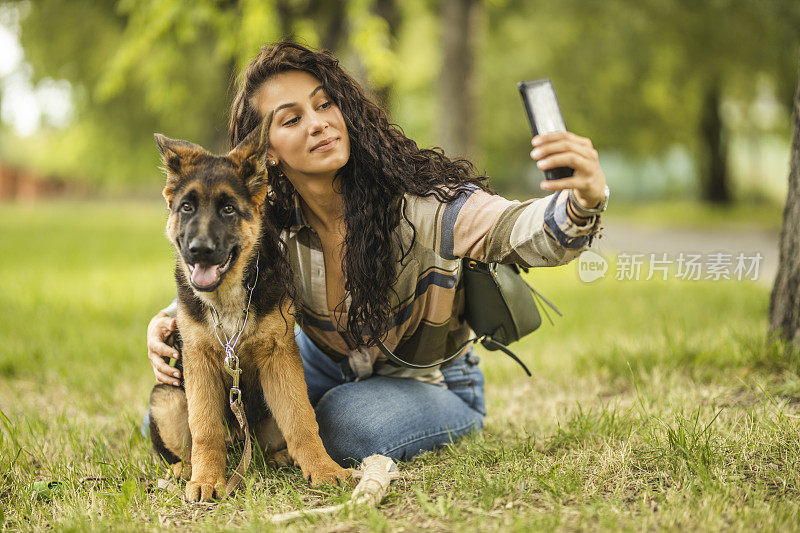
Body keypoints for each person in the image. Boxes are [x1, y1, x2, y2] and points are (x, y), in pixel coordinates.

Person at [145, 42, 608, 466]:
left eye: (325, 104)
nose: (318, 123)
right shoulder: (272, 221)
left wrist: (583, 200)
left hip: (430, 381)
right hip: (324, 362)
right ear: (265, 154)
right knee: (171, 417)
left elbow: (524, 232)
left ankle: (443, 416)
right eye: (291, 119)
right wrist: (170, 320)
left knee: (346, 426)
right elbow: (230, 270)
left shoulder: (424, 204)